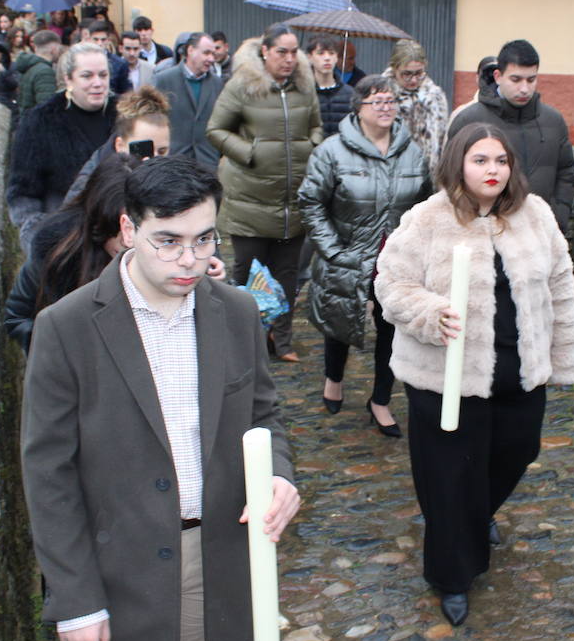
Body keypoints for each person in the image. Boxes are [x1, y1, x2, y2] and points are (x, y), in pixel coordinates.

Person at [21, 155, 299, 641]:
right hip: (118, 574)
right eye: (167, 242)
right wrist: (75, 600)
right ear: (127, 231)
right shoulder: (65, 327)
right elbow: (48, 475)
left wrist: (277, 476)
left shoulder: (238, 313)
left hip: (211, 555)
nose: (189, 260)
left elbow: (263, 415)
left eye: (203, 240)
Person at [375, 123, 574, 627]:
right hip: (446, 379)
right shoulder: (427, 220)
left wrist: (561, 357)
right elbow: (390, 283)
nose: (492, 170)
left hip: (518, 373)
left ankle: (475, 514)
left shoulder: (535, 217)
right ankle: (451, 576)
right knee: (449, 480)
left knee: (518, 451)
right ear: (458, 165)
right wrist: (430, 311)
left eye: (501, 161)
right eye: (480, 160)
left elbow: (560, 285)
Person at [299, 75, 431, 436]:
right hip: (348, 255)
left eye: (391, 101)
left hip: (397, 262)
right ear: (358, 108)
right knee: (339, 325)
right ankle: (334, 380)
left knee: (393, 332)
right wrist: (332, 250)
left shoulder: (412, 151)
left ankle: (381, 400)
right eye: (378, 101)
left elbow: (425, 204)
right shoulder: (331, 151)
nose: (387, 108)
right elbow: (311, 203)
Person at [6, 153, 228, 353]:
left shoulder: (185, 255)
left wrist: (209, 280)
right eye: (120, 230)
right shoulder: (56, 249)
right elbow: (17, 317)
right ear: (98, 221)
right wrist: (64, 350)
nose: (130, 243)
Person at [206, 22, 324, 361]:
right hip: (249, 201)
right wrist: (249, 152)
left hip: (292, 201)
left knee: (287, 275)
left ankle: (282, 341)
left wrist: (309, 147)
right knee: (248, 275)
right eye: (281, 52)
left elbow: (316, 126)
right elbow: (215, 129)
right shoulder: (243, 85)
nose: (289, 59)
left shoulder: (304, 86)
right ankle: (246, 342)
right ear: (265, 52)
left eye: (293, 52)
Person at [446, 39, 574, 231]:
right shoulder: (468, 119)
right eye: (516, 80)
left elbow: (566, 172)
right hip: (482, 234)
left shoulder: (553, 120)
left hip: (538, 234)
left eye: (531, 80)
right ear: (498, 76)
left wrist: (558, 216)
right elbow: (449, 177)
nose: (524, 88)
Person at [8, 42, 118, 249]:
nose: (98, 83)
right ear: (68, 79)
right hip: (67, 240)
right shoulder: (39, 121)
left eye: (103, 75)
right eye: (87, 76)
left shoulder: (126, 117)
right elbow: (23, 191)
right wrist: (42, 240)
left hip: (121, 239)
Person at [65, 85, 173, 203]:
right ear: (119, 145)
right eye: (144, 150)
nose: (154, 159)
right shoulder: (91, 184)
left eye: (162, 151)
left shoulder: (173, 177)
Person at [153, 31, 224, 169]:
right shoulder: (164, 80)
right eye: (206, 53)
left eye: (213, 54)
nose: (211, 59)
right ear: (190, 50)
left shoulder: (218, 84)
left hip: (207, 165)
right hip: (173, 164)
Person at [380, 40, 449, 177]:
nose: (413, 80)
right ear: (394, 69)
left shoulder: (435, 96)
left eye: (419, 73)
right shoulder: (381, 95)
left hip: (428, 178)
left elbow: (442, 142)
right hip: (389, 176)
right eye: (406, 74)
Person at [305, 35, 353, 137]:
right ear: (309, 57)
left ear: (336, 57)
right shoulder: (304, 93)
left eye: (331, 53)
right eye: (320, 53)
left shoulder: (350, 93)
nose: (327, 58)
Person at [17, 30, 62, 114]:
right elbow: (47, 108)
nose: (59, 52)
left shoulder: (30, 66)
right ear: (53, 49)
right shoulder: (45, 72)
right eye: (59, 48)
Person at [447, 55, 498, 125]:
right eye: (487, 74)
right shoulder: (460, 114)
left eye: (497, 75)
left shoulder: (513, 116)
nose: (491, 79)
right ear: (477, 77)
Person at [90, 20, 133, 96]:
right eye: (96, 39)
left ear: (108, 40)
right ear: (90, 39)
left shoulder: (120, 64)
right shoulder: (82, 62)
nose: (99, 43)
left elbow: (126, 94)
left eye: (103, 40)